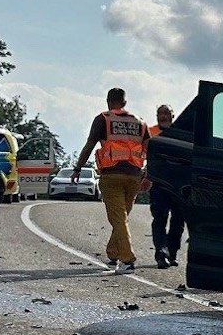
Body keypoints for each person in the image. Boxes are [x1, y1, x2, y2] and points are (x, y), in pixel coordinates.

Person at [71, 88, 148, 273]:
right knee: (122, 217)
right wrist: (150, 176)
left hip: (112, 176)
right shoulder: (140, 123)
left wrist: (77, 168)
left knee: (118, 218)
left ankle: (128, 260)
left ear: (108, 101)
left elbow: (90, 145)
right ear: (125, 103)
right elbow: (151, 151)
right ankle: (113, 253)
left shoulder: (103, 119)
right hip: (134, 176)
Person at [147, 105, 185, 269]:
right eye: (160, 114)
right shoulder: (150, 132)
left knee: (178, 221)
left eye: (166, 113)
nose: (163, 116)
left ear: (173, 115)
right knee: (160, 219)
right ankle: (161, 253)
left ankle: (172, 252)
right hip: (159, 183)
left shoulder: (181, 133)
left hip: (179, 185)